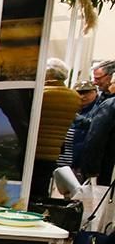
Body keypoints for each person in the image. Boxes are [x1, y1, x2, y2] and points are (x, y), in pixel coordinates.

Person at [31, 59, 81, 194]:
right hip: (53, 152)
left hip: (32, 150)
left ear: (47, 74)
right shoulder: (74, 97)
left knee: (29, 188)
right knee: (41, 187)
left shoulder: (41, 94)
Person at [58, 80, 102, 176]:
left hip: (79, 162)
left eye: (87, 92)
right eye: (79, 93)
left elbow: (96, 127)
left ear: (95, 92)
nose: (83, 96)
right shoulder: (70, 105)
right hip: (61, 159)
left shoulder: (100, 108)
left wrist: (77, 118)